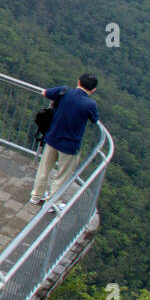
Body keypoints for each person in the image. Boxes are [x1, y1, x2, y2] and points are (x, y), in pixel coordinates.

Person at [29, 74, 100, 208]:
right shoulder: (90, 104)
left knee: (44, 169)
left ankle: (36, 196)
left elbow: (45, 93)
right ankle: (52, 203)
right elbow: (95, 118)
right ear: (93, 90)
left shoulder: (64, 91)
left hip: (52, 137)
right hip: (70, 145)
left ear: (78, 82)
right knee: (62, 176)